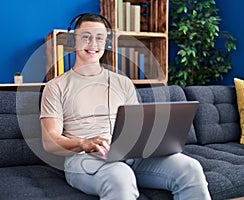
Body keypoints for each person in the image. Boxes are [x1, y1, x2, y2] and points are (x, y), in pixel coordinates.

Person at [40, 13, 211, 200]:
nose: (93, 43)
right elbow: (50, 141)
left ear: (107, 42)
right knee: (120, 175)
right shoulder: (55, 86)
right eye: (86, 36)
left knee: (190, 168)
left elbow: (135, 127)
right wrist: (83, 143)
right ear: (73, 40)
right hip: (83, 160)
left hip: (131, 155)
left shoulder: (123, 83)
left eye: (99, 37)